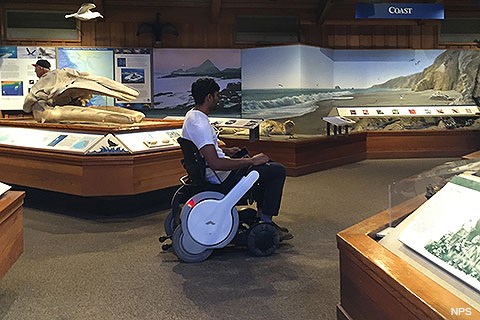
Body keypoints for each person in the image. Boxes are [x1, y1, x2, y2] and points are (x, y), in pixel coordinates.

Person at [181, 78, 293, 241]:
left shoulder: (191, 116)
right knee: (276, 170)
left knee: (265, 168)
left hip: (209, 171)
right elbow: (216, 163)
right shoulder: (201, 124)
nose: (219, 99)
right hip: (220, 177)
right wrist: (251, 161)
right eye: (217, 95)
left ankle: (262, 216)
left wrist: (225, 151)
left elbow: (203, 149)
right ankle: (266, 222)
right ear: (209, 97)